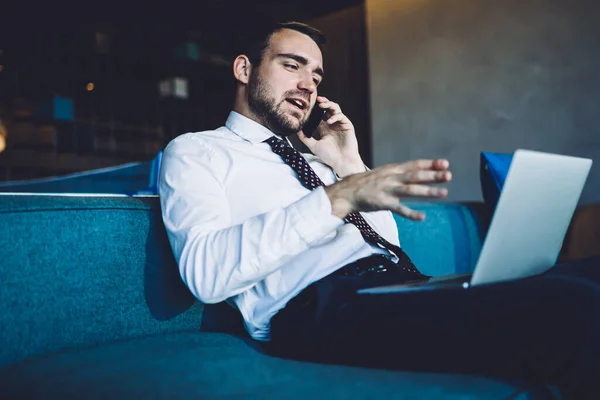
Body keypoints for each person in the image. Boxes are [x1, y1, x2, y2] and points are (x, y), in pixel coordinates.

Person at [159, 22, 600, 399]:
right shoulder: (197, 151)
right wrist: (339, 196)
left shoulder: (319, 162)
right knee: (574, 307)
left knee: (588, 273)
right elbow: (206, 273)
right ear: (244, 69)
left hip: (394, 285)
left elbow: (386, 245)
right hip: (318, 310)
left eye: (317, 75)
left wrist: (347, 163)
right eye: (292, 65)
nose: (308, 84)